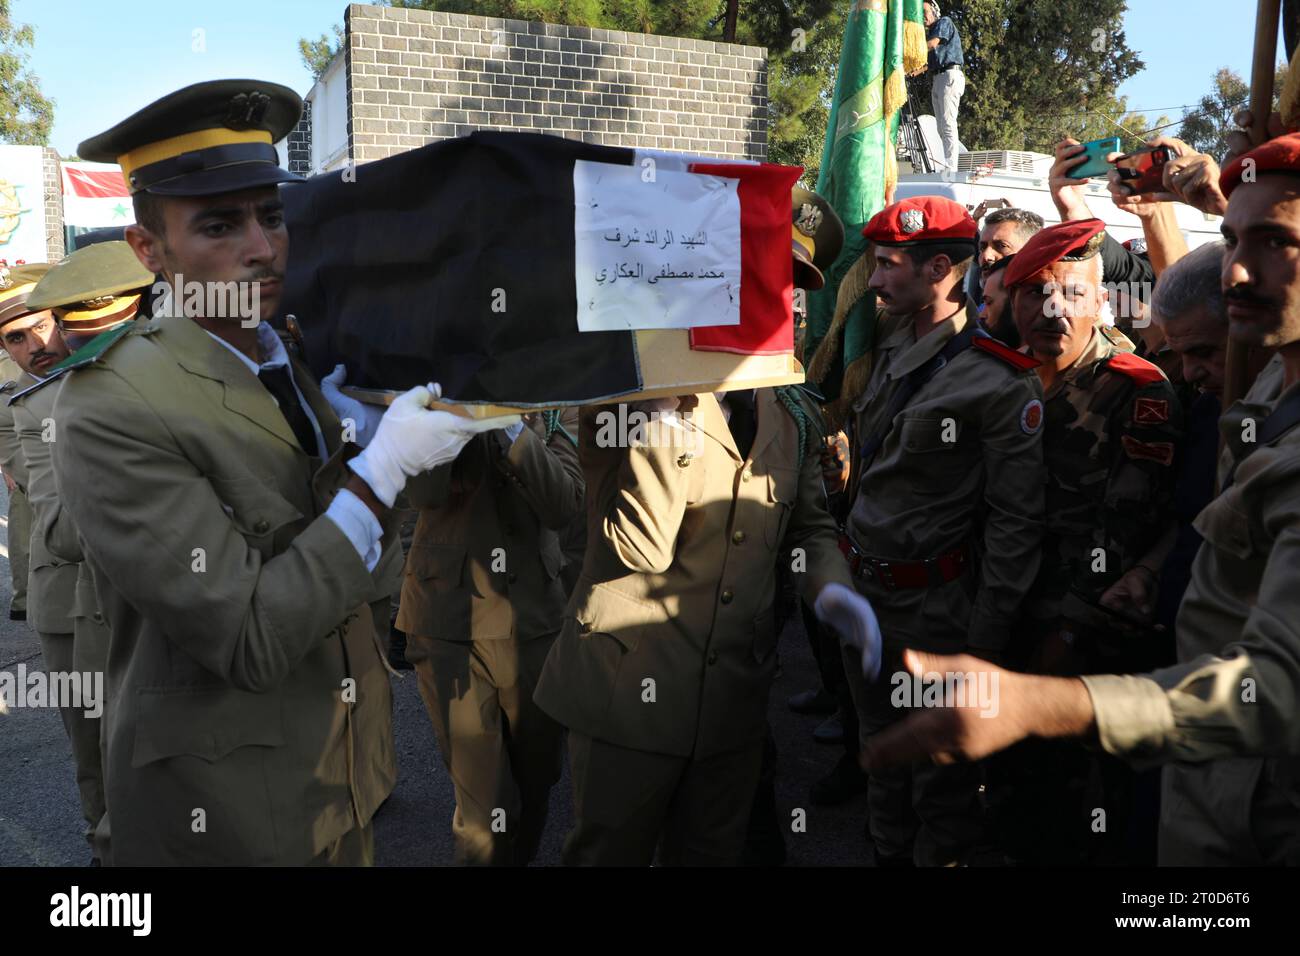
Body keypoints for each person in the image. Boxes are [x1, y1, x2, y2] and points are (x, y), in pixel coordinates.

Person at [53, 79, 519, 865]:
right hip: (227, 808)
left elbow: (351, 564)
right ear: (148, 249)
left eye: (270, 215)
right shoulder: (113, 403)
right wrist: (377, 473)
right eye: (218, 224)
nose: (263, 247)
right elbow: (248, 638)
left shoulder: (285, 357)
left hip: (337, 767)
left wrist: (405, 447)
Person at [864, 133, 1300, 864]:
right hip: (1047, 649)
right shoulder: (998, 378)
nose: (1240, 271)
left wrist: (1047, 686)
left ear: (1102, 298)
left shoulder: (1139, 390)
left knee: (1075, 818)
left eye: (1274, 241)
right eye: (1228, 240)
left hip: (1114, 662)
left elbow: (1272, 677)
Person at [533, 380, 879, 865]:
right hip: (630, 689)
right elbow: (639, 544)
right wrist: (663, 415)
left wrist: (829, 586)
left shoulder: (789, 408)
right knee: (607, 853)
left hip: (731, 701)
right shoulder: (628, 395)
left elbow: (805, 528)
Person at [844, 196, 1045, 866]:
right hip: (866, 600)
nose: (874, 281)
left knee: (942, 788)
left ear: (938, 270)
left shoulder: (998, 381)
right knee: (881, 767)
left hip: (935, 618)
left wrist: (983, 648)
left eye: (886, 265)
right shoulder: (892, 351)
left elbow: (1017, 529)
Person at [384, 401, 582, 865]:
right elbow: (425, 494)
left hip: (534, 621)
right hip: (451, 621)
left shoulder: (560, 408)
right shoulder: (431, 400)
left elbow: (563, 504)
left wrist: (511, 426)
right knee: (485, 806)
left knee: (537, 782)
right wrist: (458, 413)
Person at [9, 242, 155, 864]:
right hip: (70, 597)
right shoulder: (32, 407)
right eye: (13, 339)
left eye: (41, 326)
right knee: (96, 749)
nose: (34, 346)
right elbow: (63, 525)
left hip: (156, 591)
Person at [924, 1, 965, 171]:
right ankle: (948, 164)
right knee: (941, 127)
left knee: (948, 123)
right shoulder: (932, 33)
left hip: (950, 76)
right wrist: (914, 71)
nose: (922, 16)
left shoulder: (944, 22)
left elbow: (932, 44)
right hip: (939, 77)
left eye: (924, 11)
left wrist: (907, 51)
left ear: (934, 11)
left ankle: (951, 167)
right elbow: (930, 62)